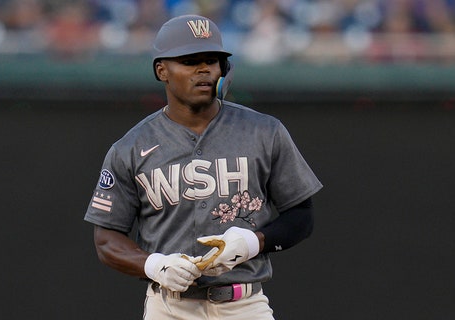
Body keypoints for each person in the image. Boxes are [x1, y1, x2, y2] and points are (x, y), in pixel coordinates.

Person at [84, 14, 323, 320]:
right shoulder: (130, 147)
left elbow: (301, 216)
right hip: (169, 307)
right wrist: (154, 265)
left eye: (211, 60)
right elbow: (106, 240)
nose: (203, 70)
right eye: (189, 61)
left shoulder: (264, 131)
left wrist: (252, 242)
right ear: (162, 70)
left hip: (244, 305)